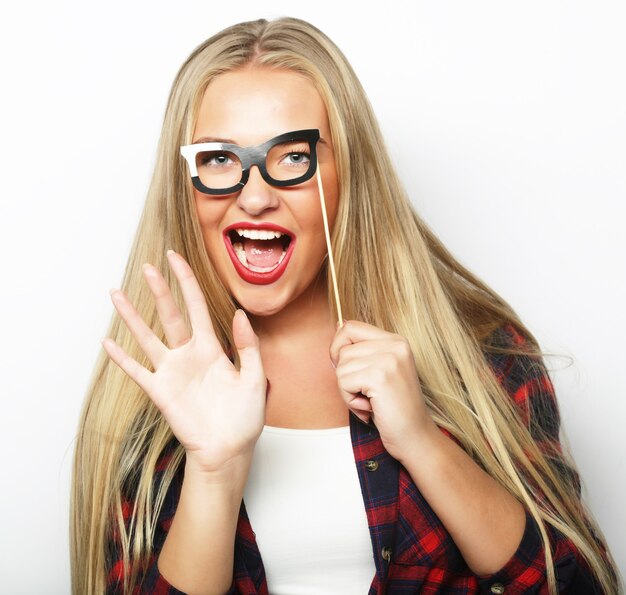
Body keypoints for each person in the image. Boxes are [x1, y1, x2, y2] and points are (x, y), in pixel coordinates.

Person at [70, 17, 619, 595]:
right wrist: (214, 472)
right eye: (219, 160)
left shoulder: (483, 357)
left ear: (346, 175)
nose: (254, 197)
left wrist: (421, 441)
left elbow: (577, 584)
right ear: (186, 182)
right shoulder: (146, 396)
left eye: (291, 157)